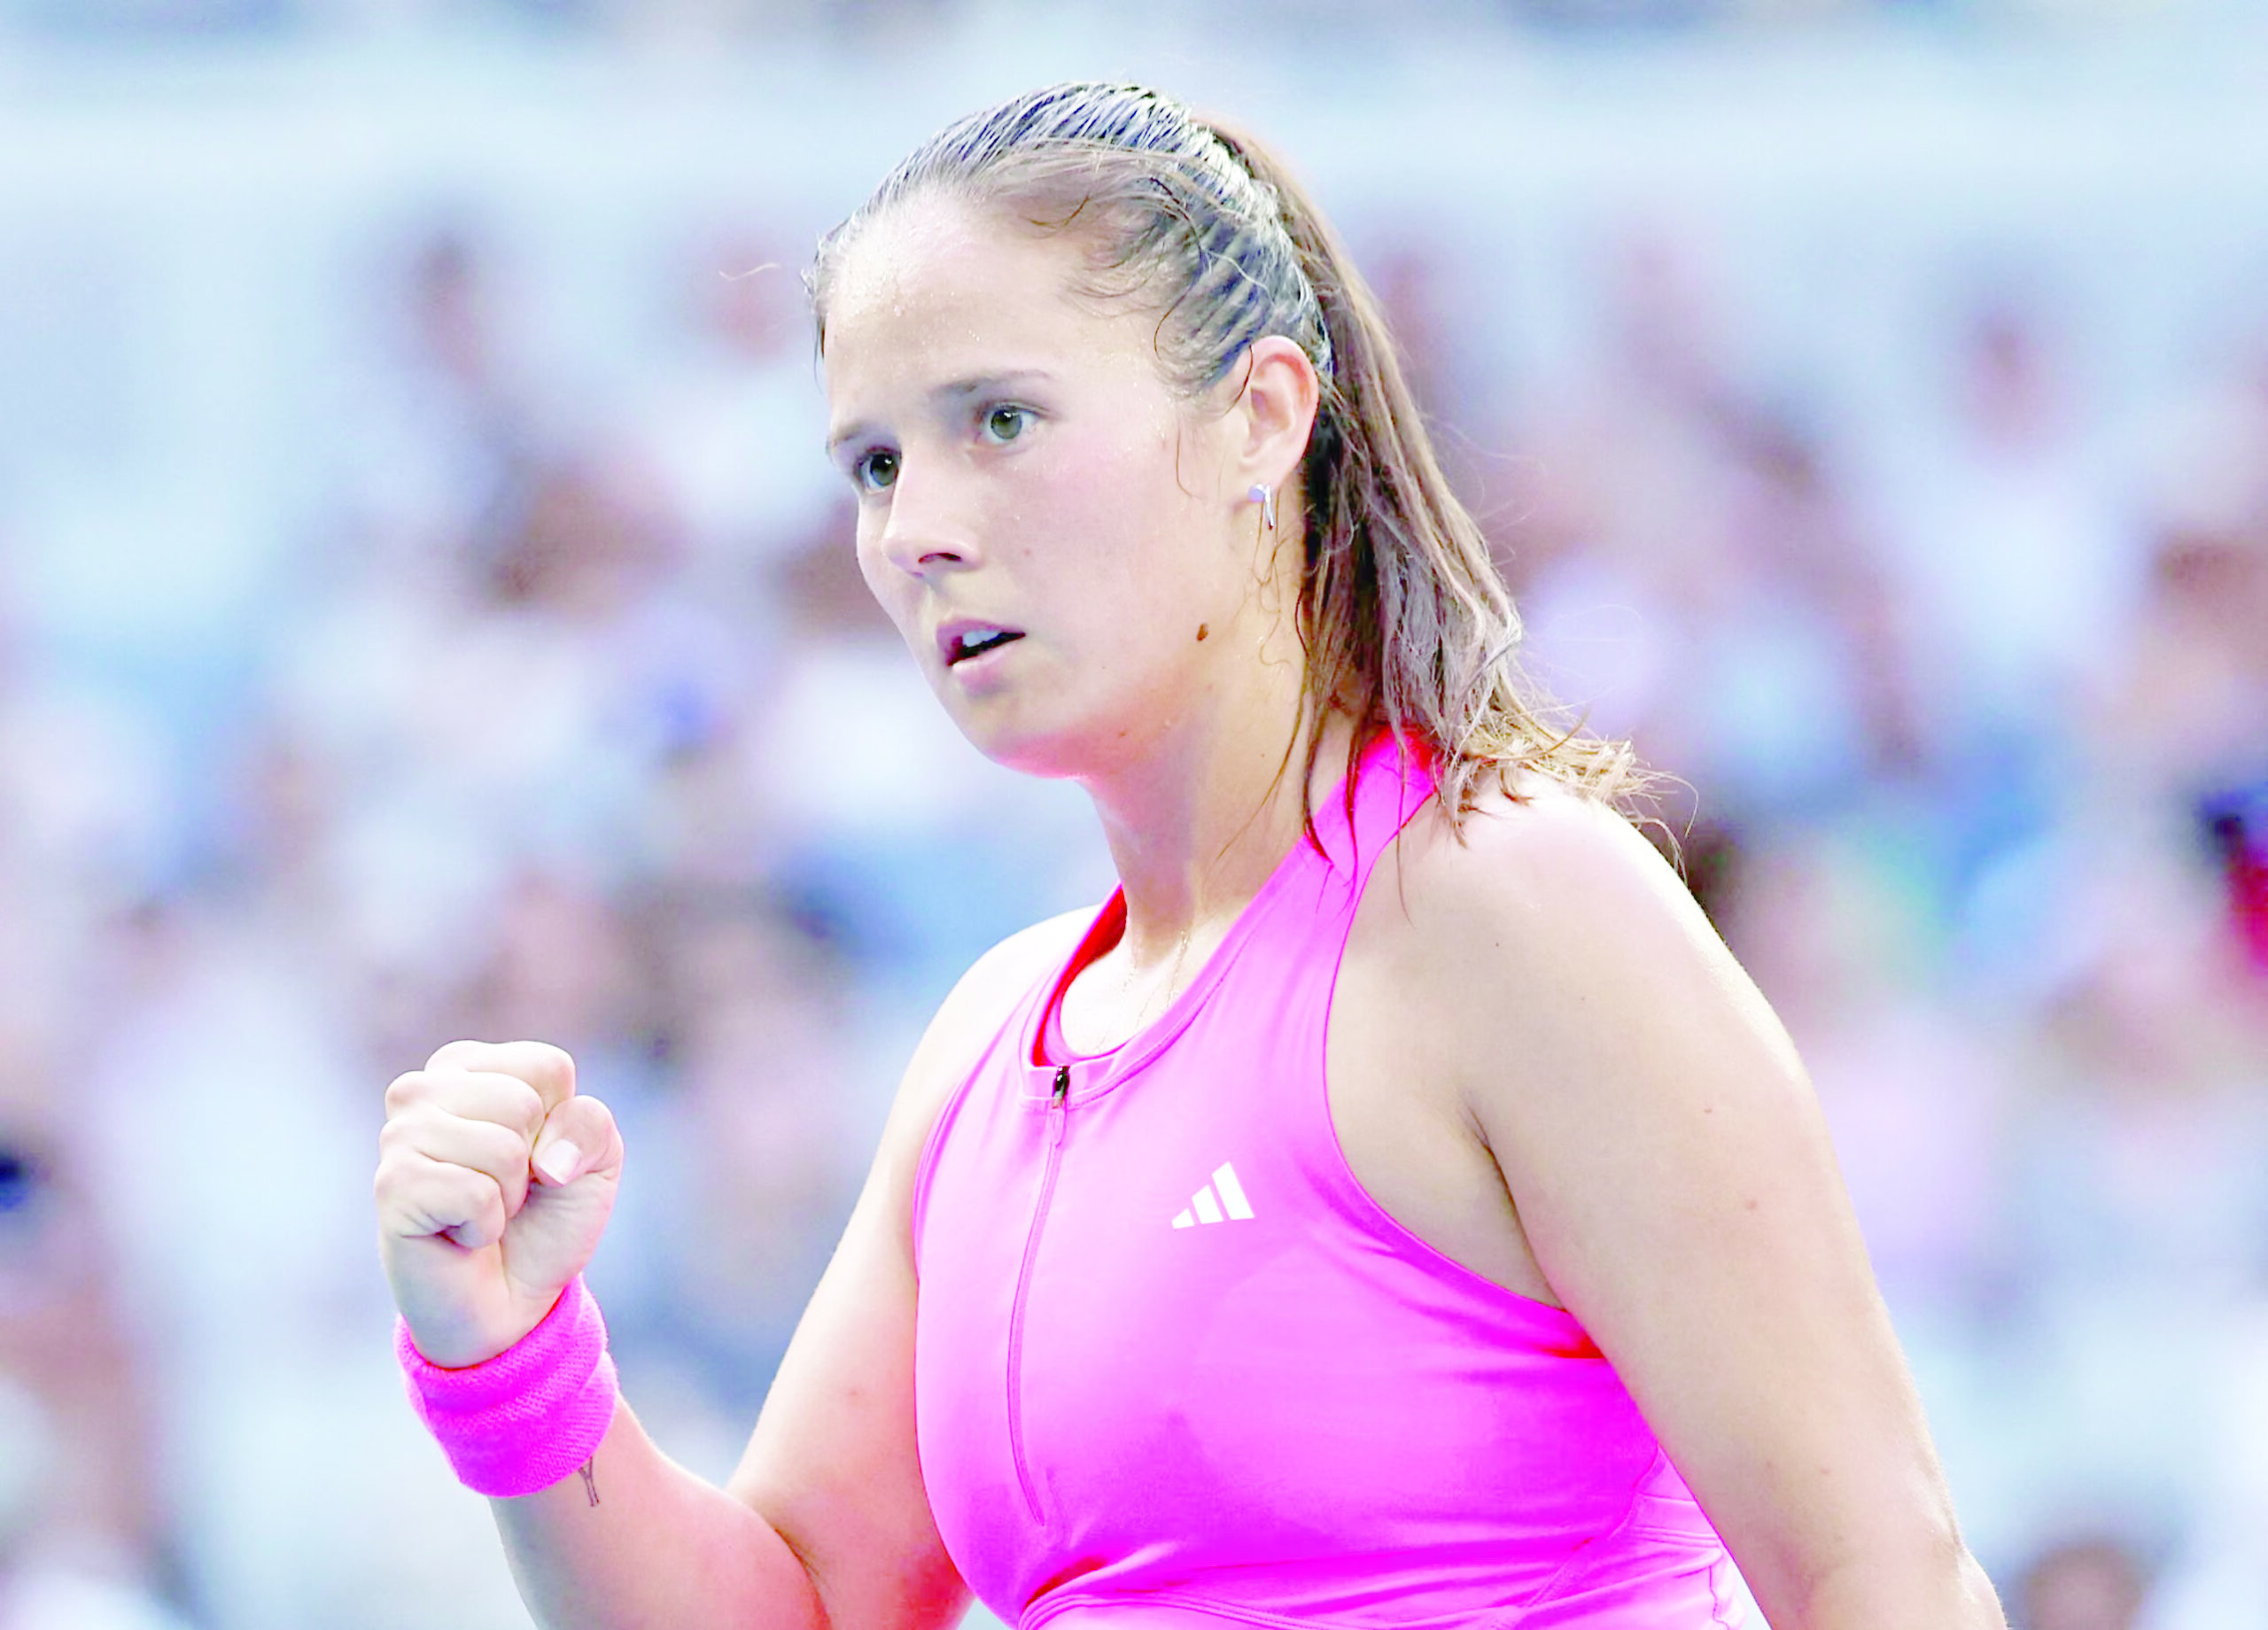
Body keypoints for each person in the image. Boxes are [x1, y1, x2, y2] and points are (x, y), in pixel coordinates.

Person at [373, 82, 2009, 1630]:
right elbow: (795, 1609)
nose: (915, 528)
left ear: (1260, 418)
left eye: (999, 420)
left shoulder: (1512, 912)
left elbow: (1887, 1576)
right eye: (875, 464)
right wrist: (512, 1361)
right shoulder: (987, 1048)